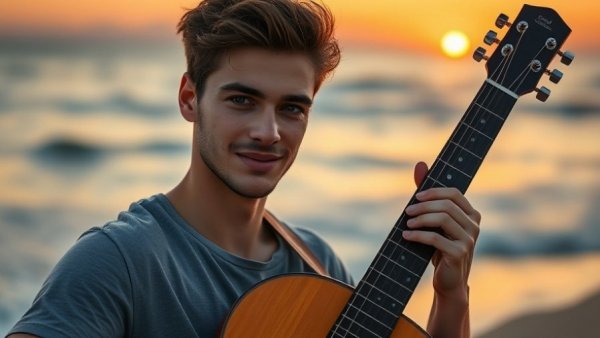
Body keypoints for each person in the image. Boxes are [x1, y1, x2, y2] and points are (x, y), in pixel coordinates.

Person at [7, 0, 481, 337]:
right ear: (190, 98)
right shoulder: (119, 261)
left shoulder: (316, 267)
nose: (269, 131)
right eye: (242, 100)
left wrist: (452, 294)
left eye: (292, 108)